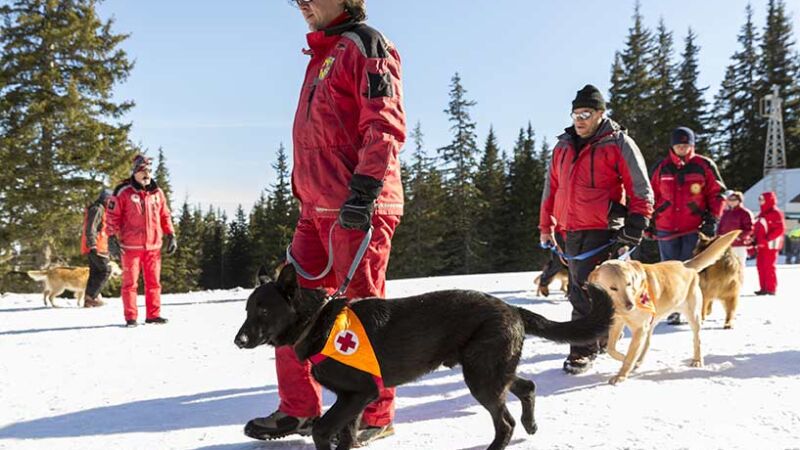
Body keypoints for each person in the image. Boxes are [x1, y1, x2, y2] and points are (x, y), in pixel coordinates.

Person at [244, 0, 405, 445]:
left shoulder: (367, 46)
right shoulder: (322, 53)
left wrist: (365, 189)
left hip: (357, 205)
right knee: (286, 302)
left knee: (362, 311)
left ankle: (375, 413)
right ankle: (298, 409)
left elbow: (385, 125)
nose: (303, 4)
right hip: (315, 208)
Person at [539, 84, 654, 375]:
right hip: (568, 231)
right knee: (582, 291)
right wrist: (546, 226)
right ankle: (600, 339)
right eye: (576, 113)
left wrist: (635, 226)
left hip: (603, 230)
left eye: (586, 113)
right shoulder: (562, 146)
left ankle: (582, 350)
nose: (579, 119)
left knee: (585, 293)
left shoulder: (618, 143)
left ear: (601, 114)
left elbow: (640, 187)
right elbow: (550, 189)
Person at [650, 127, 726, 324]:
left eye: (686, 144)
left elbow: (717, 194)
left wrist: (712, 219)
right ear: (672, 146)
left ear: (692, 145)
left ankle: (692, 307)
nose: (682, 148)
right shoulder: (662, 167)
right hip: (665, 227)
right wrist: (648, 222)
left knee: (689, 269)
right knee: (668, 271)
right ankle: (671, 308)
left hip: (694, 227)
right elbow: (650, 195)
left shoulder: (704, 165)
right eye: (678, 144)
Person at [106, 155, 177, 327]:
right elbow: (111, 216)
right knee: (130, 284)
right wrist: (111, 237)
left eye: (149, 171)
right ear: (135, 172)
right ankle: (131, 317)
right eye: (142, 171)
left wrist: (171, 234)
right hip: (130, 247)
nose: (147, 174)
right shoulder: (123, 191)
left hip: (153, 246)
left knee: (154, 283)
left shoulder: (157, 193)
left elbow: (164, 215)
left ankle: (153, 315)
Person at [80, 188, 114, 307]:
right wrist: (92, 244)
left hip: (97, 245)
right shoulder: (98, 209)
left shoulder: (101, 208)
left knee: (95, 272)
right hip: (96, 245)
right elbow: (91, 227)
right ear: (106, 198)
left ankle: (89, 298)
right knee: (105, 270)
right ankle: (91, 296)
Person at [752, 192, 785, 295]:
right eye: (759, 199)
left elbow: (780, 229)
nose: (760, 202)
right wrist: (754, 239)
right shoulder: (762, 213)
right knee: (760, 266)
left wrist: (767, 239)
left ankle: (770, 289)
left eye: (762, 199)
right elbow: (757, 229)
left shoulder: (776, 213)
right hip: (761, 245)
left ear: (769, 200)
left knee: (769, 266)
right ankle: (763, 288)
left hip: (771, 245)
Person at [717, 190, 754, 275]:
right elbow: (720, 227)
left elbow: (749, 228)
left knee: (738, 267)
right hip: (726, 244)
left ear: (739, 200)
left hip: (739, 245)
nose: (732, 201)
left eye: (734, 199)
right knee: (726, 268)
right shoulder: (726, 213)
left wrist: (739, 237)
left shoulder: (745, 213)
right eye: (730, 199)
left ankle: (738, 286)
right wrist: (719, 238)